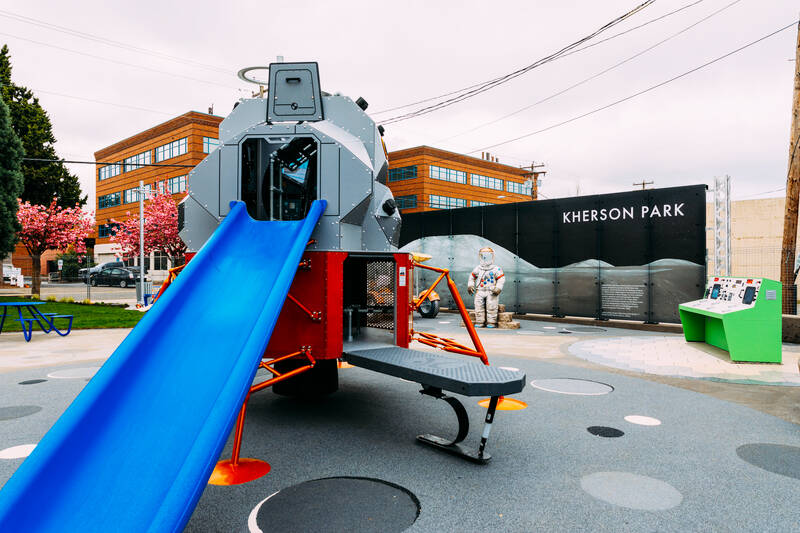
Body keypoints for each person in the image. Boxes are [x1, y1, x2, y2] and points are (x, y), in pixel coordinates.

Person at [467, 247, 505, 328]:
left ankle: (491, 322)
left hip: (491, 291)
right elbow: (472, 277)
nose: (485, 257)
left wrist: (498, 288)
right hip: (480, 290)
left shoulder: (496, 269)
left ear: (492, 256)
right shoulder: (478, 268)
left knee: (492, 306)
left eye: (488, 255)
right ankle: (479, 321)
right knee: (478, 306)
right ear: (480, 256)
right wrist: (470, 285)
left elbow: (501, 279)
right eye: (483, 255)